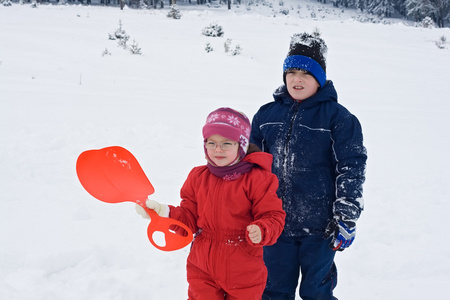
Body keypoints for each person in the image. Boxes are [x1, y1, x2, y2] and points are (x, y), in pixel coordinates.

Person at [250, 32, 368, 300]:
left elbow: (351, 168)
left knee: (317, 291)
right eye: (291, 71)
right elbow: (251, 167)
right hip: (275, 223)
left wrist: (346, 216)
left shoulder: (339, 118)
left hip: (321, 227)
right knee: (273, 290)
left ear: (320, 77)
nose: (297, 79)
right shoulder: (266, 115)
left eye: (306, 72)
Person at [137, 107, 286, 300]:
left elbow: (273, 215)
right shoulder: (198, 177)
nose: (218, 149)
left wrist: (263, 229)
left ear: (241, 146)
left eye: (226, 143)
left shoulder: (258, 179)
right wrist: (163, 212)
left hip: (243, 269)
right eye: (211, 143)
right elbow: (188, 219)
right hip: (202, 268)